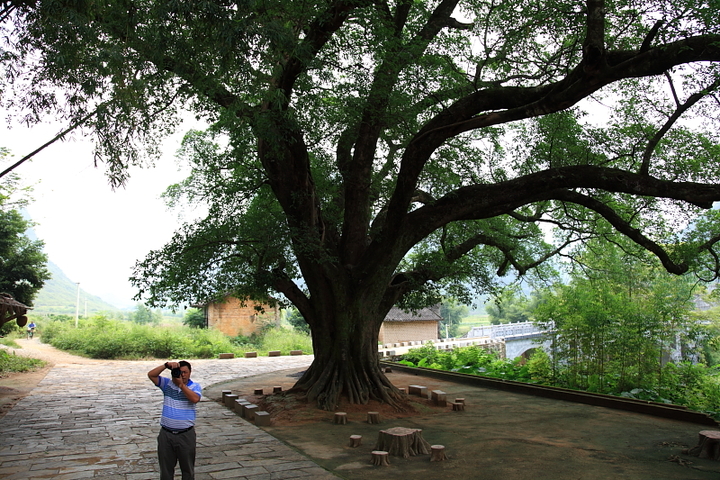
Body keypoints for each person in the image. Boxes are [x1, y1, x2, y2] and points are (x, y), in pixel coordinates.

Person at [148, 360, 202, 480]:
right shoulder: (167, 384)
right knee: (166, 470)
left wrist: (181, 385)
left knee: (187, 469)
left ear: (190, 373)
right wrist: (165, 365)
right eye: (179, 372)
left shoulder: (195, 386)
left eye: (185, 372)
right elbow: (151, 375)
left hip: (186, 435)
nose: (182, 375)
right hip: (166, 434)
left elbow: (194, 399)